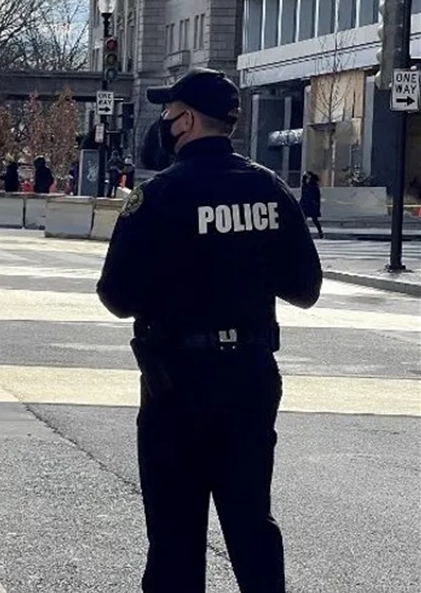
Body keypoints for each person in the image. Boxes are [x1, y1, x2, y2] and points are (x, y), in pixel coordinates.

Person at [96, 67, 322, 593]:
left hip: (177, 378)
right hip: (250, 373)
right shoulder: (269, 189)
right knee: (251, 521)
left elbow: (116, 296)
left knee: (175, 532)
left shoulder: (160, 196)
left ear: (188, 121)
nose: (164, 123)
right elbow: (305, 288)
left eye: (169, 114)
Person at [300, 172, 323, 238]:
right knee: (314, 220)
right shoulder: (315, 187)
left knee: (304, 219)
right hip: (312, 205)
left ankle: (303, 232)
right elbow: (318, 199)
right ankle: (320, 232)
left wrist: (305, 176)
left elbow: (304, 185)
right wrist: (318, 207)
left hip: (306, 205)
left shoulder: (308, 186)